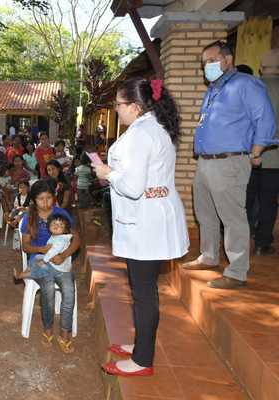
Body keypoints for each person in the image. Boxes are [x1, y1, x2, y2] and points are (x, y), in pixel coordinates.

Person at [94, 78, 189, 377]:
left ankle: (142, 360)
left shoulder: (140, 134)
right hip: (153, 217)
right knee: (144, 290)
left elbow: (133, 187)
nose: (117, 110)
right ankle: (141, 347)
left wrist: (108, 173)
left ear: (134, 106)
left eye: (118, 105)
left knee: (145, 292)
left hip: (145, 222)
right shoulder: (154, 127)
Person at [183, 41, 277, 289]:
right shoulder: (214, 89)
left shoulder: (246, 85)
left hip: (229, 161)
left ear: (227, 59)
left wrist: (257, 150)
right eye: (204, 62)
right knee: (206, 214)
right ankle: (209, 255)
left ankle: (236, 271)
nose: (207, 66)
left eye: (211, 60)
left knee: (232, 217)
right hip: (206, 162)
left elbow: (265, 118)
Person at [19, 181, 79, 353]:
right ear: (34, 200)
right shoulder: (29, 218)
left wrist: (64, 255)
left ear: (54, 198)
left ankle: (65, 332)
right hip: (40, 261)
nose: (45, 203)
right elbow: (26, 246)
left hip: (61, 262)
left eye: (48, 198)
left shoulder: (61, 214)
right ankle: (48, 328)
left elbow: (76, 239)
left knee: (69, 291)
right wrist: (41, 249)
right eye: (40, 199)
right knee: (48, 289)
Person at [246, 56, 279, 256]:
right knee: (268, 201)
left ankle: (243, 239)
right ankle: (262, 243)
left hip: (249, 155)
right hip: (275, 158)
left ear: (260, 67)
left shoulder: (251, 87)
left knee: (246, 200)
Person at [14, 213, 72, 280]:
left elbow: (53, 251)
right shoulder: (55, 236)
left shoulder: (61, 240)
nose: (56, 225)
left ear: (64, 229)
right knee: (36, 257)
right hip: (51, 260)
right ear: (49, 226)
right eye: (54, 223)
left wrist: (44, 261)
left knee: (43, 270)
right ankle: (28, 269)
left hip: (58, 268)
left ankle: (23, 275)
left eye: (60, 225)